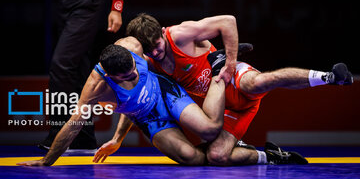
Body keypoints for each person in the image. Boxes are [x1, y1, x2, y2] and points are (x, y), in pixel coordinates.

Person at [121, 13, 353, 166]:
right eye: (148, 50)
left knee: (257, 83)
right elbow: (137, 100)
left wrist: (230, 63)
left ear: (162, 32)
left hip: (231, 79)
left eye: (157, 46)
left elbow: (228, 21)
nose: (155, 53)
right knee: (216, 156)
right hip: (224, 108)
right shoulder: (149, 63)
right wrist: (117, 138)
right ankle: (270, 157)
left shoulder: (180, 34)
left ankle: (330, 76)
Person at [18, 37, 227, 166]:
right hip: (148, 117)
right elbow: (73, 127)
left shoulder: (133, 45)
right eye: (127, 77)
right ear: (110, 76)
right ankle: (237, 152)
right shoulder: (96, 89)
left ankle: (219, 64)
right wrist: (47, 161)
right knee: (192, 158)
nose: (134, 76)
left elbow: (166, 41)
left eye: (135, 70)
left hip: (164, 91)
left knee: (209, 130)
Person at [40, 0, 127, 150]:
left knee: (61, 64)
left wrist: (116, 8)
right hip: (63, 2)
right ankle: (83, 136)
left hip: (89, 1)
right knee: (78, 69)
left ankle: (58, 135)